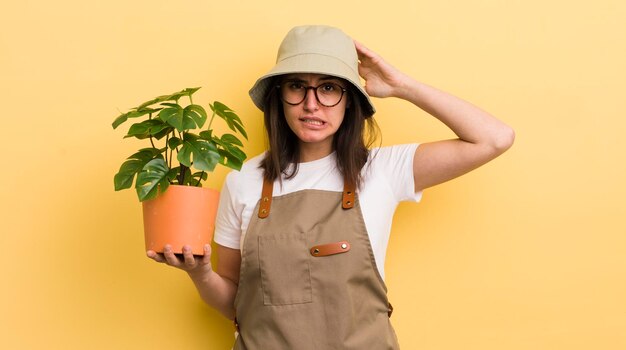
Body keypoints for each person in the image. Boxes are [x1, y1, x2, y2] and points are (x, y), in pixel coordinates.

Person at [147, 25, 514, 349]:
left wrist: (402, 86)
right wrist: (200, 273)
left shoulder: (382, 170)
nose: (311, 105)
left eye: (328, 88)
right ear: (279, 96)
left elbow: (494, 138)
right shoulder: (243, 180)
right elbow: (235, 302)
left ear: (349, 100)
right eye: (297, 87)